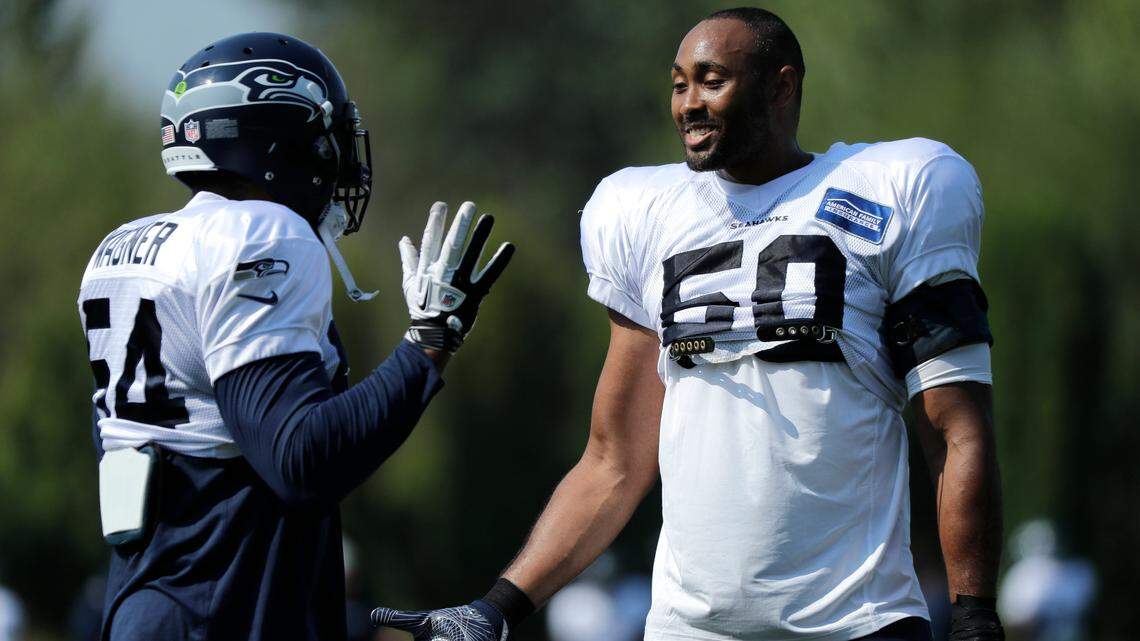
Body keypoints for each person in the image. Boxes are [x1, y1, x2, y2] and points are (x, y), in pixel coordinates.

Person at [372, 7, 1003, 641]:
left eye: (712, 80)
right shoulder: (647, 214)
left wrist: (974, 616)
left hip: (857, 623)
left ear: (781, 87)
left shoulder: (897, 189)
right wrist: (495, 609)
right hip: (689, 628)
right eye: (679, 84)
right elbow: (614, 458)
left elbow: (956, 433)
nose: (689, 104)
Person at [77, 32, 513, 640]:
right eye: (326, 136)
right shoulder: (264, 232)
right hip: (228, 603)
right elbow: (300, 458)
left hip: (144, 601)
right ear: (280, 137)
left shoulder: (123, 248)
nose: (337, 159)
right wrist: (429, 343)